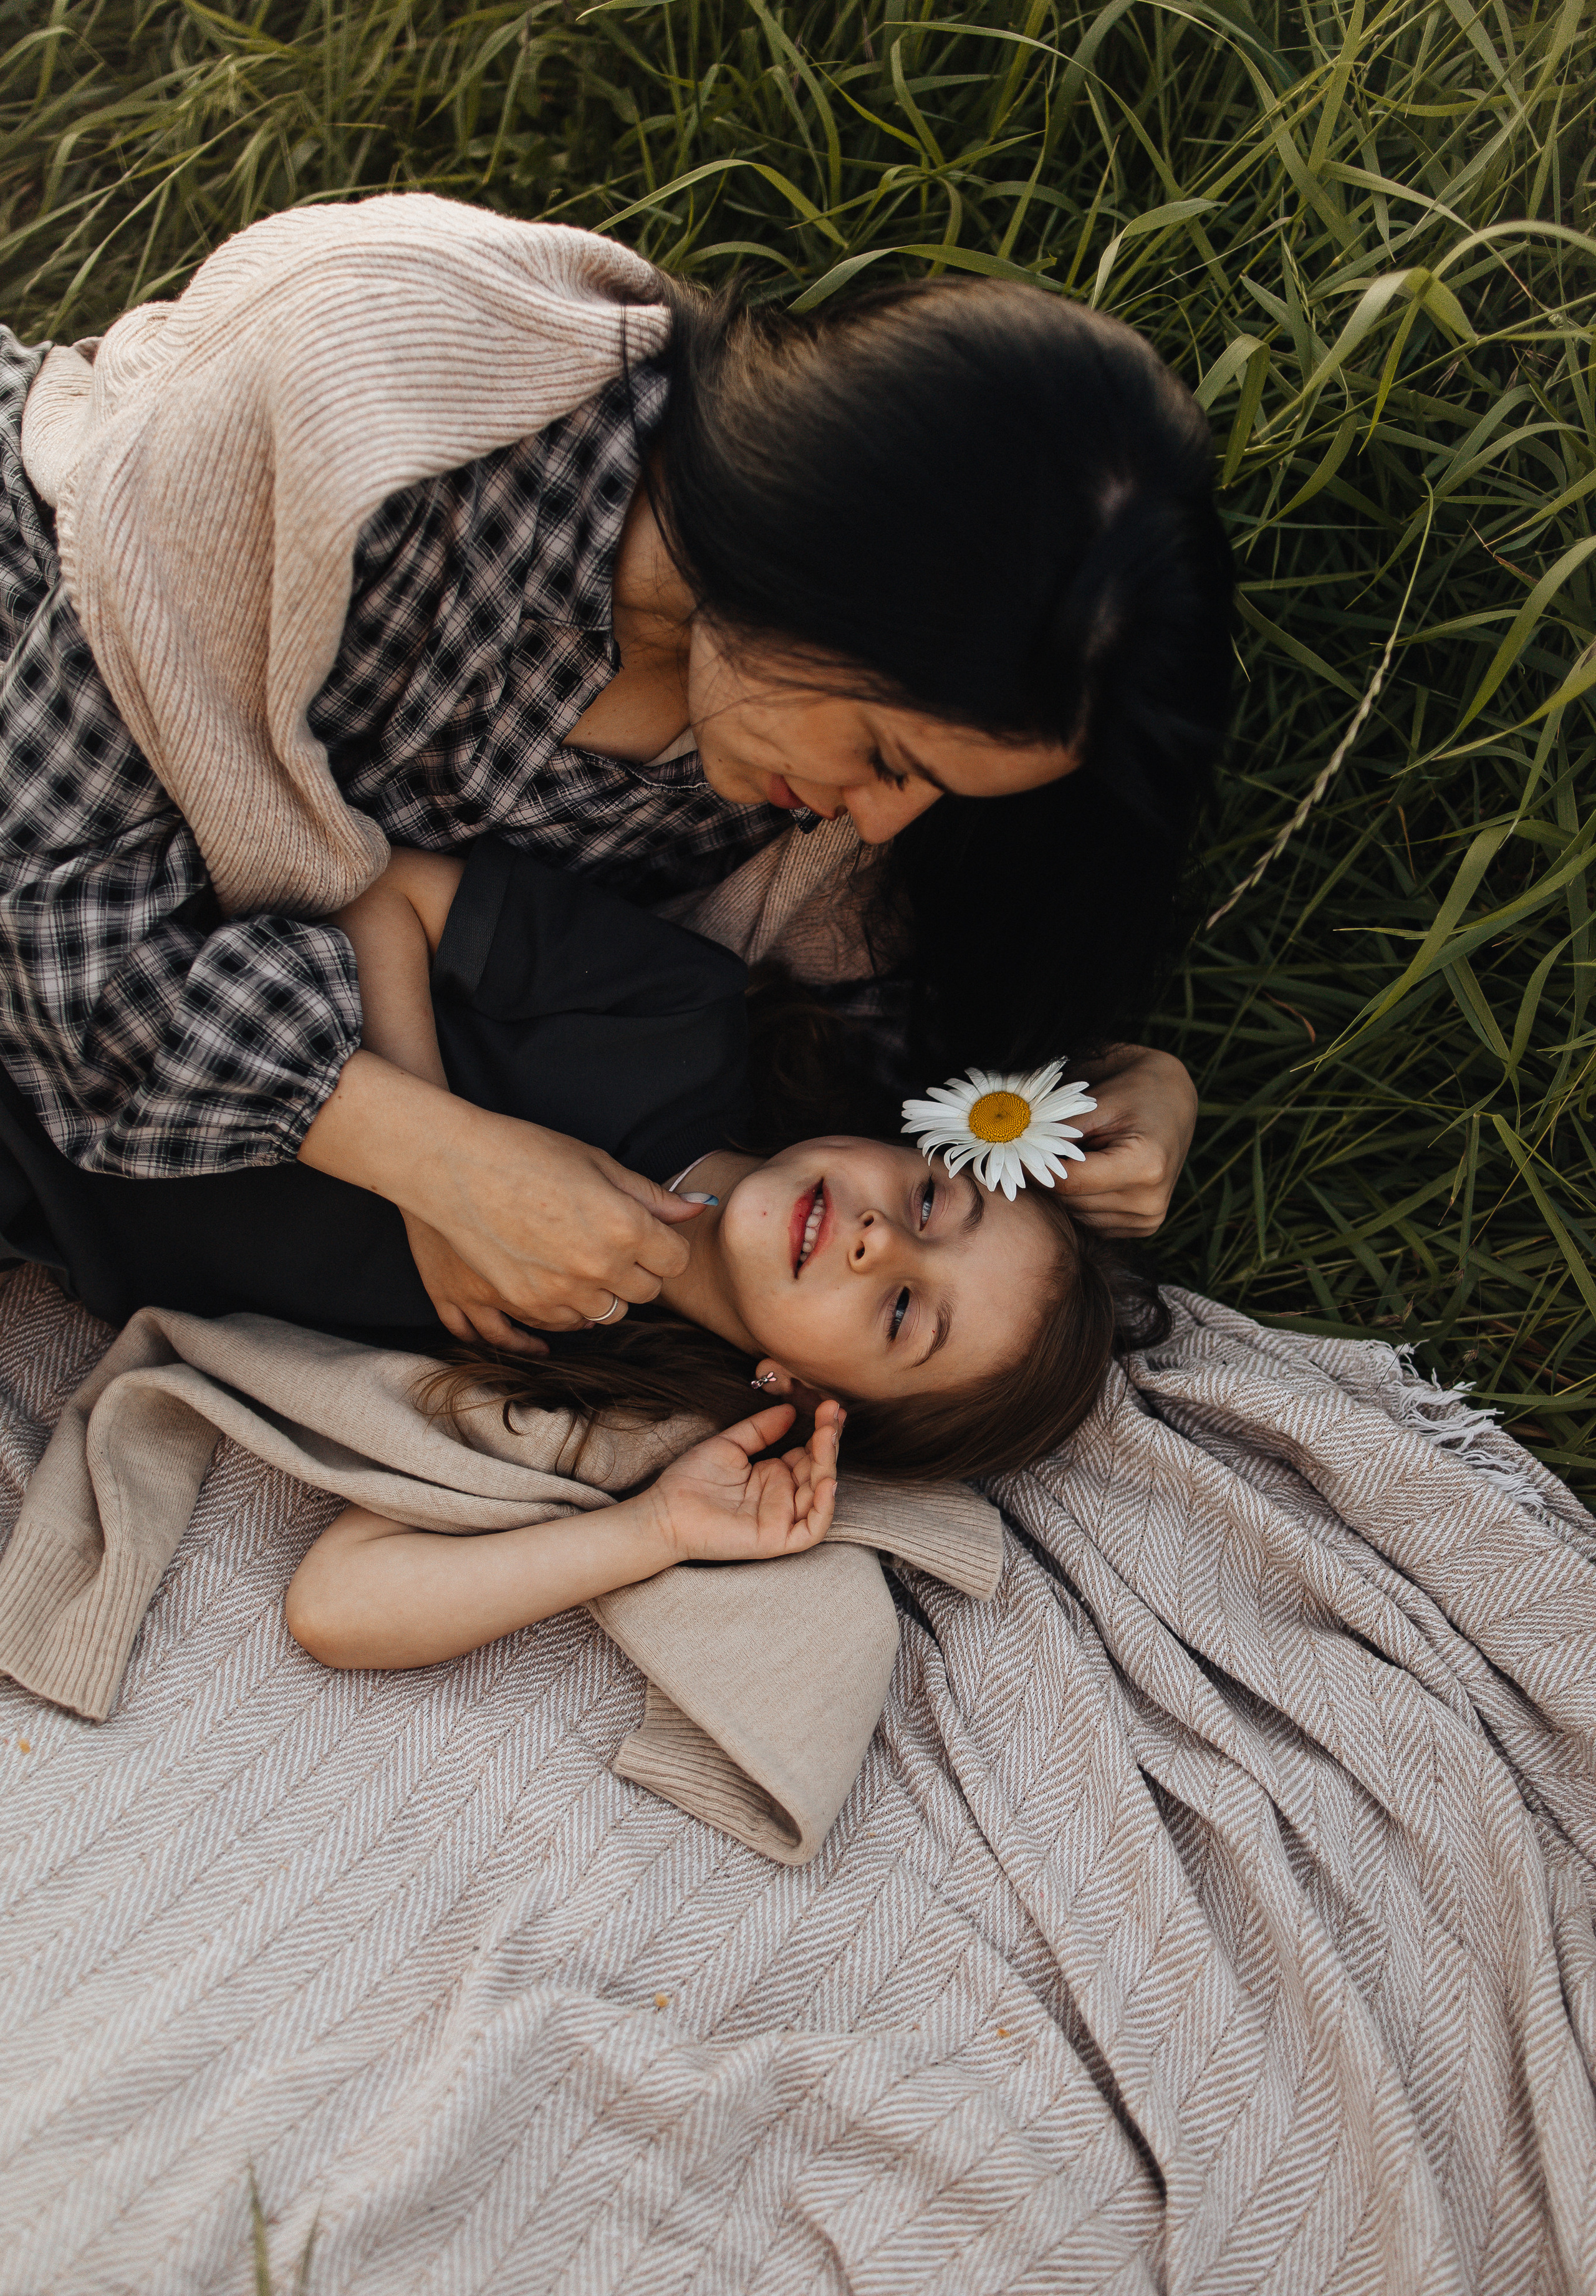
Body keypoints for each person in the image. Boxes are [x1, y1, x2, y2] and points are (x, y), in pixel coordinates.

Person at [0, 203, 1233, 1350]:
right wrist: (444, 1166)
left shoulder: (784, 776)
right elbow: (47, 923)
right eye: (885, 757)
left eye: (939, 795)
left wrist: (1120, 1082)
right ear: (817, 571)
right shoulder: (378, 389)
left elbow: (862, 1063)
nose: (877, 820)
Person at [279, 847, 1166, 1674]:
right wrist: (434, 1183)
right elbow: (375, 888)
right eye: (931, 1202)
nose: (881, 1240)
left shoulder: (602, 1391)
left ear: (816, 1397)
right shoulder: (680, 1014)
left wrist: (659, 1528)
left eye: (901, 1313)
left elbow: (338, 1605)